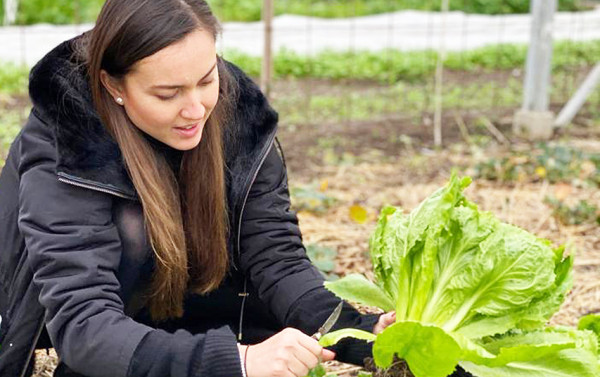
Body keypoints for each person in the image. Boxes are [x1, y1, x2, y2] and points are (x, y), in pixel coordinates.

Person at [0, 1, 396, 376]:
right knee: (133, 227)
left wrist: (364, 335)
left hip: (199, 330)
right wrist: (236, 363)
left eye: (207, 80)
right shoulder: (66, 142)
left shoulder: (240, 116)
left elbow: (278, 259)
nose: (196, 110)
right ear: (113, 85)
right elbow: (84, 324)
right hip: (115, 349)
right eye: (167, 94)